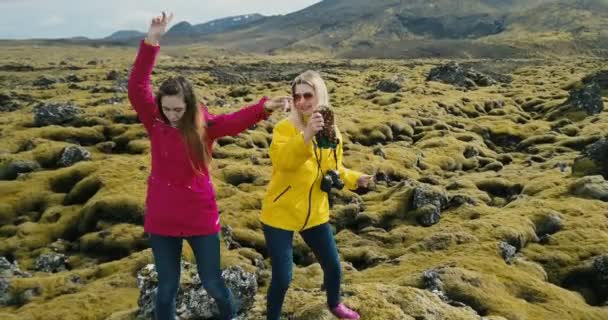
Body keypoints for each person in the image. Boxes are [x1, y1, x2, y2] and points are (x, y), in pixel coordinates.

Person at [128, 12, 290, 320]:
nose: (172, 115)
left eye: (178, 109)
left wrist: (262, 108)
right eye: (167, 108)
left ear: (189, 106)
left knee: (214, 284)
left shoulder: (204, 127)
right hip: (161, 218)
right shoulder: (155, 120)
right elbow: (137, 86)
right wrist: (152, 40)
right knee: (167, 288)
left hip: (200, 216)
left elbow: (232, 122)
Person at [260, 70, 373, 320]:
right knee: (283, 276)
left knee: (332, 266)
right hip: (280, 213)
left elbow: (334, 168)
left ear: (319, 94)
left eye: (307, 95)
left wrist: (355, 179)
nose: (301, 102)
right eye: (297, 96)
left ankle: (335, 304)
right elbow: (283, 162)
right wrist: (306, 135)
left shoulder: (332, 131)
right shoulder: (284, 128)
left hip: (315, 212)